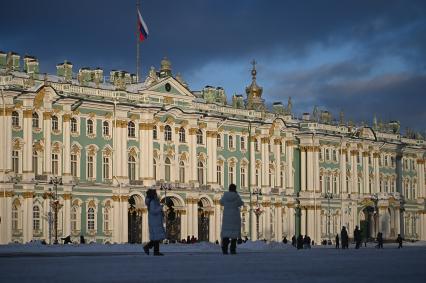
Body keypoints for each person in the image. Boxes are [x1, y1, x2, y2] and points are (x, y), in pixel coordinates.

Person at [220, 183, 244, 255]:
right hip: (234, 217)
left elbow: (221, 202)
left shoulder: (225, 195)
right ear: (235, 189)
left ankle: (224, 249)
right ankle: (232, 250)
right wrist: (237, 194)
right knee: (234, 236)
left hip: (227, 217)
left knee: (226, 235)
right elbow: (240, 203)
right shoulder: (236, 196)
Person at [143, 188, 166, 256]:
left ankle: (154, 250)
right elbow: (153, 211)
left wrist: (161, 212)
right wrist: (160, 207)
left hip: (155, 220)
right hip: (155, 221)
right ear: (153, 195)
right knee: (156, 238)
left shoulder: (153, 201)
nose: (156, 195)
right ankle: (150, 248)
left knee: (156, 238)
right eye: (155, 194)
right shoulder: (152, 202)